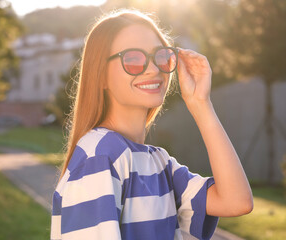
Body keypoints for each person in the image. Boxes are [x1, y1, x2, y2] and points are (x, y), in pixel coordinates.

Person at [51, 9, 253, 240]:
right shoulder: (99, 156)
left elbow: (236, 202)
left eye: (161, 56)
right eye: (133, 59)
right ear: (101, 75)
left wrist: (200, 103)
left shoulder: (159, 162)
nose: (153, 69)